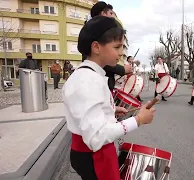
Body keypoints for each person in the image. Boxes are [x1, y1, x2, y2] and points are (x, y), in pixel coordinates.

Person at [63, 16, 155, 180]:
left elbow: (88, 114)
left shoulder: (90, 75)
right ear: (96, 47)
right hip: (95, 156)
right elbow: (97, 136)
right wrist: (138, 120)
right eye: (117, 46)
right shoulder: (87, 80)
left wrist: (110, 111)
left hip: (93, 153)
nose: (121, 53)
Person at [82, 1, 133, 92]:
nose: (113, 17)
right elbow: (99, 60)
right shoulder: (93, 32)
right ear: (103, 13)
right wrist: (122, 69)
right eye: (111, 13)